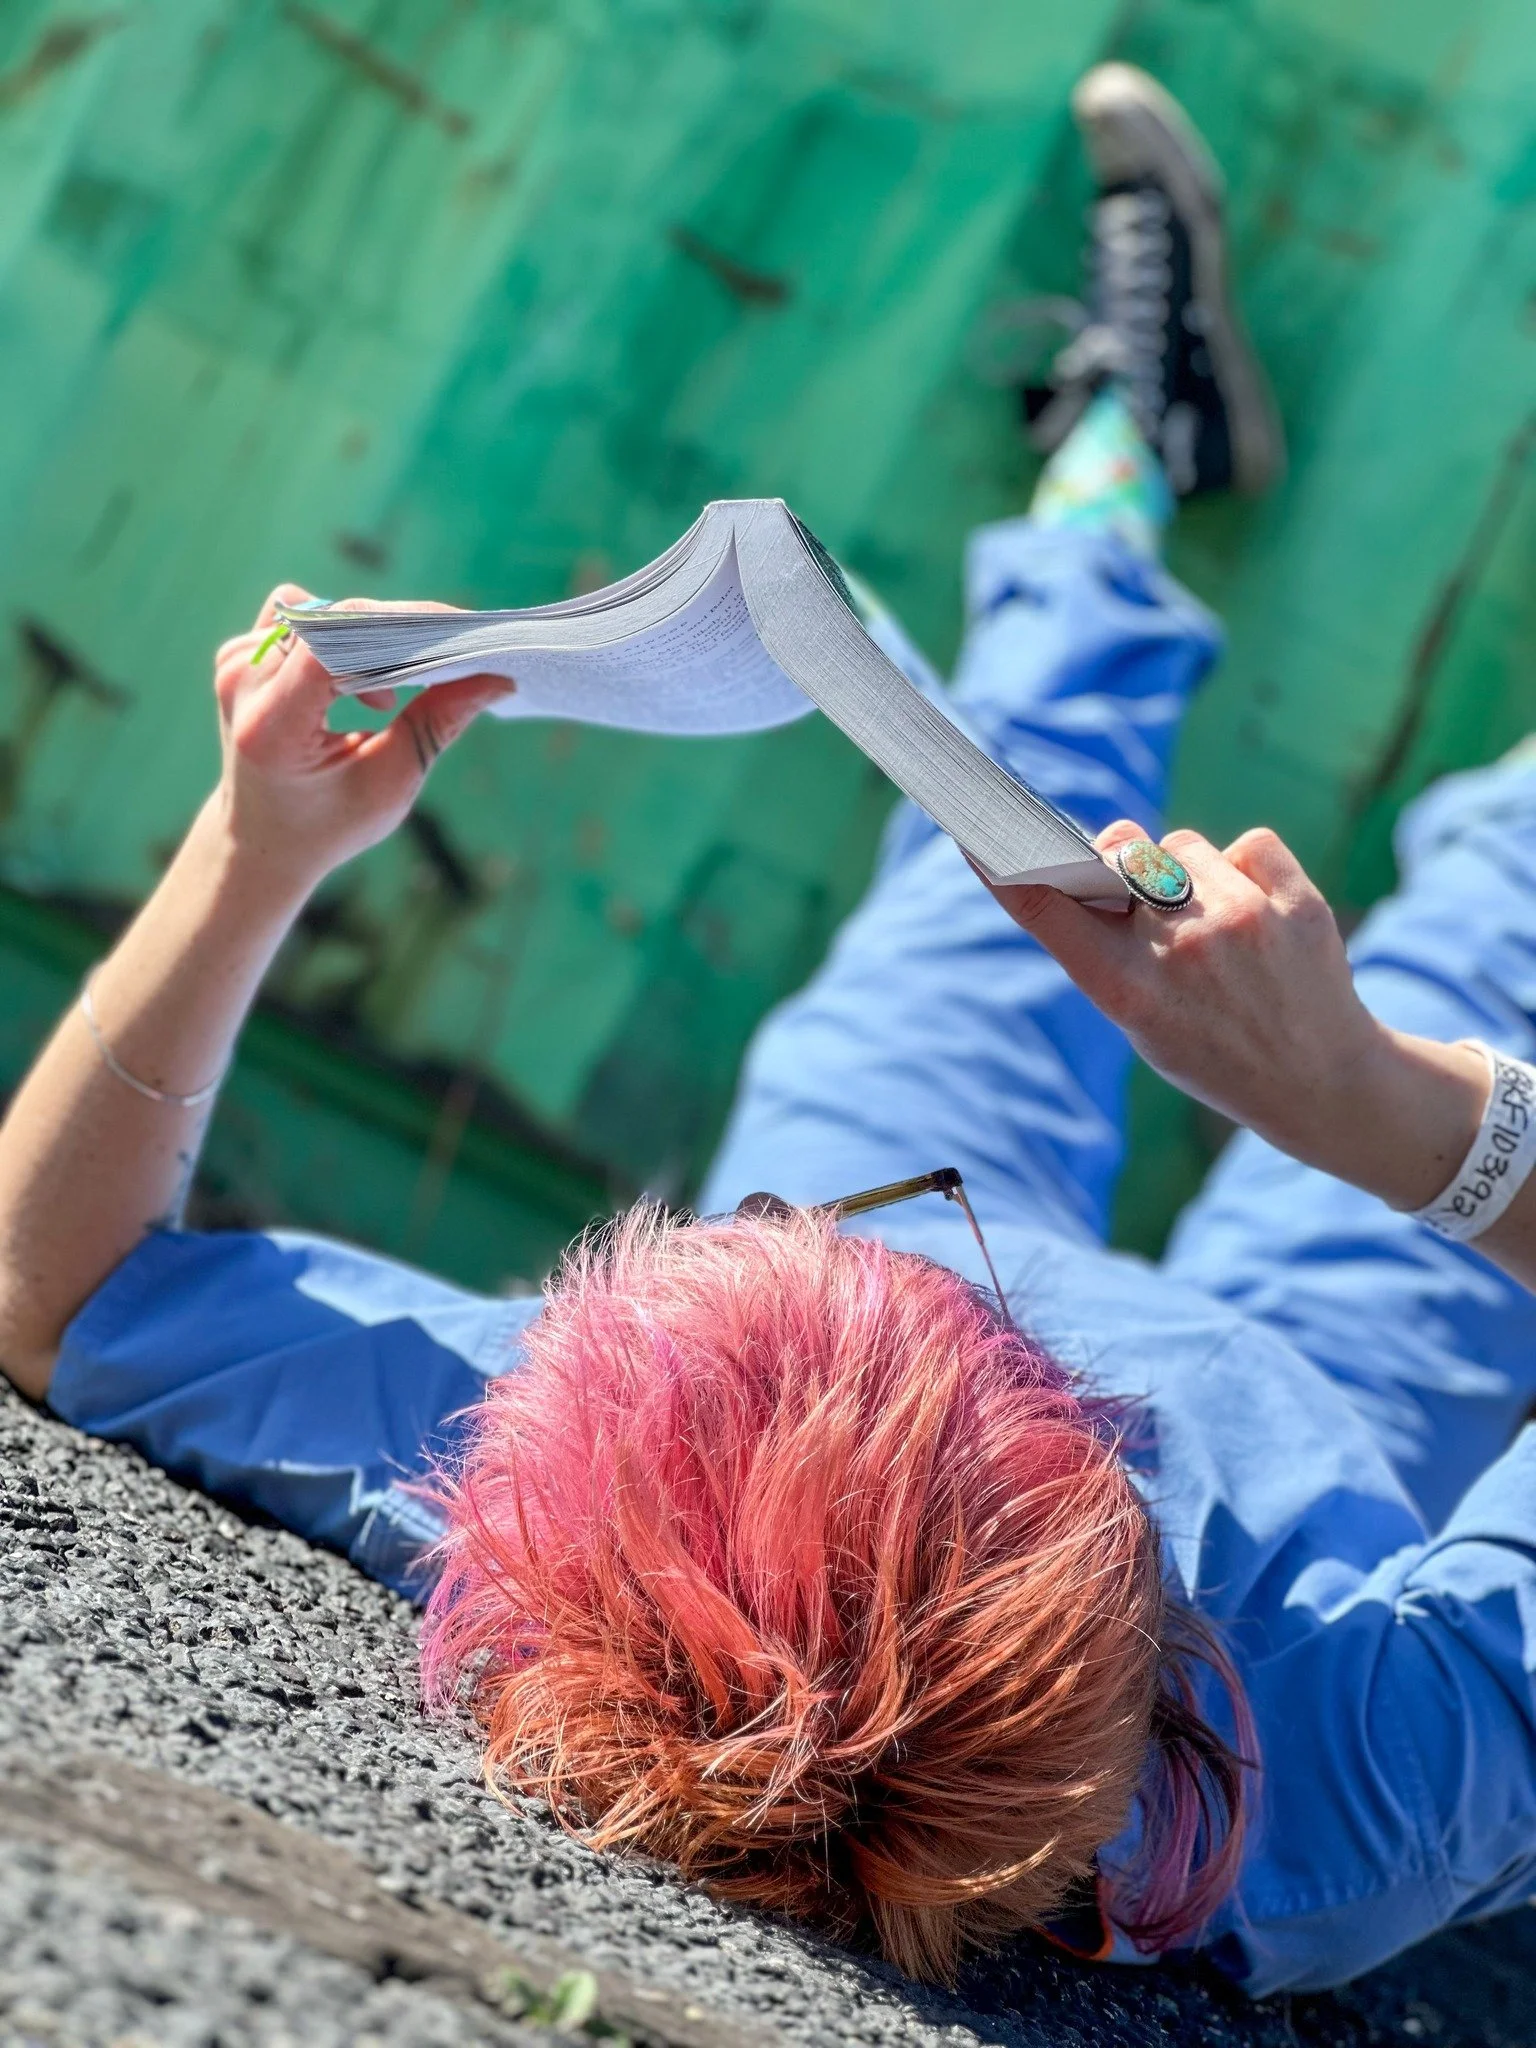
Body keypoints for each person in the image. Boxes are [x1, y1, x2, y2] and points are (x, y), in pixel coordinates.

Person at [1, 61, 1533, 2001]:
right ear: (1120, 1541)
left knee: (1013, 793)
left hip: (868, 1238)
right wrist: (1372, 1105)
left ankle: (1131, 441)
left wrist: (254, 852)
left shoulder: (595, 1509)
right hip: (1335, 1388)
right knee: (1501, 915)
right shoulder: (1366, 1783)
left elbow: (55, 1289)